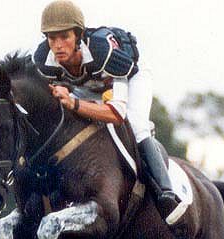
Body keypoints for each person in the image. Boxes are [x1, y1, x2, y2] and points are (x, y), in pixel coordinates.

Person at [32, 0, 182, 223]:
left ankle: (165, 191)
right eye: (52, 38)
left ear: (79, 36)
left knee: (136, 124)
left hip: (130, 77)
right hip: (90, 85)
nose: (58, 45)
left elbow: (116, 114)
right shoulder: (44, 60)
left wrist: (73, 103)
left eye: (65, 37)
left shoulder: (103, 52)